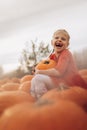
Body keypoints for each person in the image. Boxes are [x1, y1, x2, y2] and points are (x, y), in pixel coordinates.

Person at [30, 29, 87, 99]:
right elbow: (46, 66)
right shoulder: (52, 56)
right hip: (60, 82)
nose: (59, 40)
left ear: (67, 44)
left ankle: (45, 101)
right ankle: (34, 99)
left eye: (63, 39)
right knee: (34, 79)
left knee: (38, 78)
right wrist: (36, 68)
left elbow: (58, 72)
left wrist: (39, 71)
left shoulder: (66, 54)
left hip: (70, 84)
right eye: (56, 38)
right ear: (52, 42)